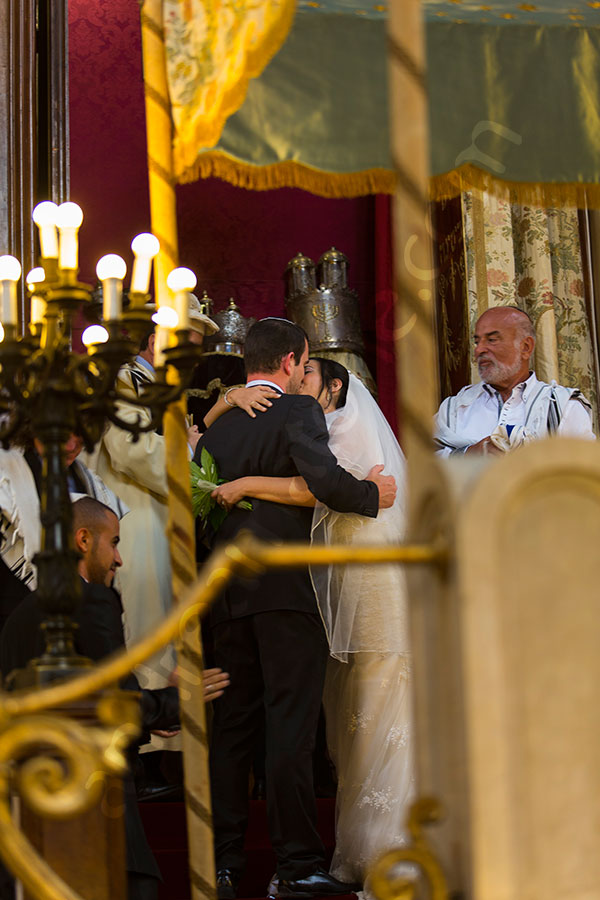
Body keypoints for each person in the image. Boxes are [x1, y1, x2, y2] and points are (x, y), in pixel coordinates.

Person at [194, 318, 396, 900]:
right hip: (286, 590)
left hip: (227, 593)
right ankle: (297, 864)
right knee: (290, 726)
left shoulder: (217, 432)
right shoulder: (297, 412)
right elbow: (324, 479)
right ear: (290, 362)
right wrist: (371, 496)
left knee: (232, 730)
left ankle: (224, 864)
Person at [0, 496, 229, 900]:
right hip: (98, 808)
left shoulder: (19, 619)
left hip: (30, 813)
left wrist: (150, 709)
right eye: (115, 542)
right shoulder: (92, 601)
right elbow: (118, 705)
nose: (119, 559)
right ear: (84, 539)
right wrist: (181, 702)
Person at [434, 306, 595, 456]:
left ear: (525, 347)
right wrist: (469, 454)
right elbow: (420, 465)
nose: (479, 349)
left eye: (492, 340)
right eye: (477, 341)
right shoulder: (454, 409)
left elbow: (584, 473)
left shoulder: (563, 407)